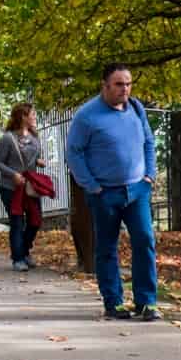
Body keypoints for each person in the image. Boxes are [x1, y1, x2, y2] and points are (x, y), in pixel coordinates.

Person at [65, 64, 160, 321]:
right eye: (119, 84)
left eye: (128, 84)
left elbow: (149, 142)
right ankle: (114, 302)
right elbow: (73, 152)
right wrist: (91, 184)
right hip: (104, 192)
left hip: (137, 189)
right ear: (105, 86)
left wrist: (149, 174)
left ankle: (147, 302)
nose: (125, 89)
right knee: (107, 247)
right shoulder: (87, 116)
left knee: (144, 241)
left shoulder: (136, 108)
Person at [0, 103, 47, 271]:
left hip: (30, 187)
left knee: (35, 221)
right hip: (10, 187)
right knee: (17, 221)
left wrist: (39, 161)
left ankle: (23, 250)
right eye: (32, 114)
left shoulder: (34, 137)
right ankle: (18, 259)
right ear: (23, 116)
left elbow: (35, 157)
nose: (34, 117)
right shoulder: (8, 139)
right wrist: (13, 174)